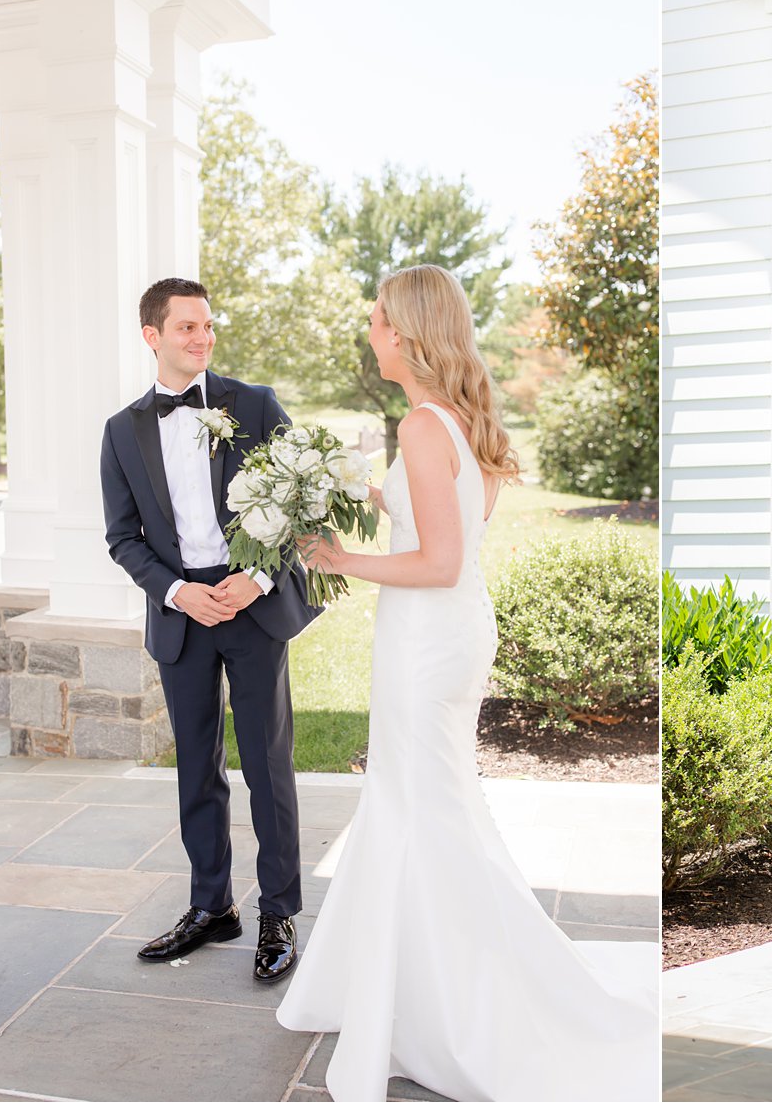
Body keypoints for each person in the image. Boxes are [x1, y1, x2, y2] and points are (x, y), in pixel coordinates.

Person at [274, 264, 658, 1102]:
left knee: (426, 813)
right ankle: (399, 986)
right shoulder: (456, 419)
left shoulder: (421, 422)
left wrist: (342, 558)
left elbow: (438, 560)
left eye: (376, 319)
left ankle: (464, 1004)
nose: (369, 331)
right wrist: (363, 492)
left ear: (405, 333)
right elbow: (435, 517)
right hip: (450, 635)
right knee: (420, 804)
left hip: (426, 640)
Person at [100, 278, 321, 983]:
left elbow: (299, 502)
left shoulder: (254, 405)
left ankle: (279, 912)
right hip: (182, 620)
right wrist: (176, 592)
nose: (202, 337)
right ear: (152, 336)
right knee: (197, 769)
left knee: (266, 767)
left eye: (208, 326)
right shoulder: (121, 430)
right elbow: (122, 537)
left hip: (252, 608)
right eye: (187, 327)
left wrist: (254, 578)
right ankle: (211, 905)